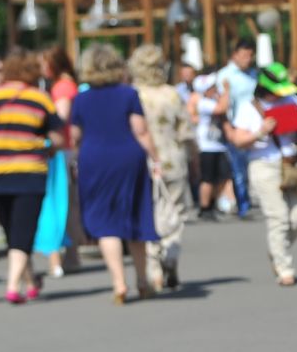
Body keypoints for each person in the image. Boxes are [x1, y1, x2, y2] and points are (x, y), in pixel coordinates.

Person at [0, 50, 64, 303]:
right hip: (29, 172)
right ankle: (12, 286)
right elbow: (60, 137)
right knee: (23, 231)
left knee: (13, 231)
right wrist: (47, 147)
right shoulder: (40, 99)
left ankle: (30, 280)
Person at [70, 45, 160, 304]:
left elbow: (75, 136)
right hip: (127, 157)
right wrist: (156, 159)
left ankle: (118, 283)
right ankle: (142, 280)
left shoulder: (81, 99)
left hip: (94, 158)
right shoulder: (129, 94)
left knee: (105, 220)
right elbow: (140, 130)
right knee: (134, 214)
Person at [225, 63, 297, 286]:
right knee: (279, 217)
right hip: (263, 166)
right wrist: (261, 131)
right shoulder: (249, 108)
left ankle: (277, 251)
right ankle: (284, 268)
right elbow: (238, 140)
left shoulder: (291, 100)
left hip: (290, 164)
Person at [130, 45, 194, 292]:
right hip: (174, 158)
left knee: (150, 213)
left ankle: (154, 267)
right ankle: (172, 254)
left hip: (144, 161)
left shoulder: (134, 95)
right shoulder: (172, 94)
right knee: (175, 214)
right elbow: (185, 130)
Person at [41, 47, 85, 276]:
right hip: (70, 149)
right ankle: (72, 254)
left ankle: (63, 256)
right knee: (70, 204)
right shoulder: (68, 85)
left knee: (60, 203)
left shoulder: (61, 87)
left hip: (62, 150)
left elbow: (61, 117)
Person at [215, 38, 260, 218]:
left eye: (250, 55)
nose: (247, 59)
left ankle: (248, 199)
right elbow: (222, 103)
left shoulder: (254, 74)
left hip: (254, 127)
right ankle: (243, 204)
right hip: (235, 126)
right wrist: (227, 126)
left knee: (252, 165)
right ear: (235, 55)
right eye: (244, 55)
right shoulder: (225, 75)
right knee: (238, 168)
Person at [192, 72, 230, 217]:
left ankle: (215, 204)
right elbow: (222, 108)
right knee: (207, 178)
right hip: (206, 146)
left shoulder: (213, 100)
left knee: (220, 177)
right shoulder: (203, 103)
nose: (216, 88)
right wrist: (227, 91)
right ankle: (204, 207)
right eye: (213, 87)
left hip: (218, 145)